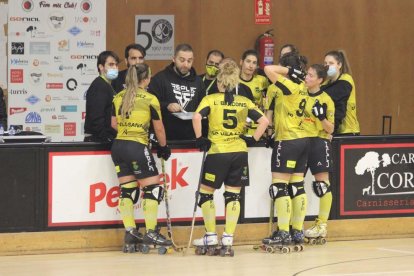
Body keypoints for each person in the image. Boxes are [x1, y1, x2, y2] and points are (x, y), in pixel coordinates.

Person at [192, 59, 269, 254]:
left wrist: (200, 138)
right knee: (233, 195)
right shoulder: (244, 101)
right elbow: (264, 120)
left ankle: (210, 236)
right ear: (235, 83)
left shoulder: (210, 99)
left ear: (219, 82)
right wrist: (253, 139)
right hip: (239, 152)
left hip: (218, 152)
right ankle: (227, 239)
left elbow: (196, 117)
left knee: (206, 193)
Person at [111, 63, 172, 252]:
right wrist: (163, 146)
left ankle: (130, 231)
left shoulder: (118, 97)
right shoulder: (150, 98)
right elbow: (159, 128)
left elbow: (114, 124)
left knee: (127, 191)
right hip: (137, 146)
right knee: (153, 189)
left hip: (119, 146)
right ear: (145, 79)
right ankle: (151, 231)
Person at [262, 52, 310, 249]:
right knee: (297, 186)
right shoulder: (304, 87)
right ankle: (297, 229)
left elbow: (267, 69)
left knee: (279, 186)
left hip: (287, 140)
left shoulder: (288, 85)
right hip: (303, 140)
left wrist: (289, 70)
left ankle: (283, 232)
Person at [301, 65, 335, 244]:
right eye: (306, 73)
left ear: (320, 80)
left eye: (310, 75)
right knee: (295, 185)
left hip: (318, 142)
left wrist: (322, 118)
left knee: (322, 185)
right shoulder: (299, 93)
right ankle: (295, 225)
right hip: (299, 141)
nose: (306, 77)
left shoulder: (326, 99)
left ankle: (322, 225)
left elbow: (331, 128)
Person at [148, 43, 205, 141]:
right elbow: (149, 104)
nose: (185, 64)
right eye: (182, 60)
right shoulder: (160, 78)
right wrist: (167, 106)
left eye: (189, 61)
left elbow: (203, 107)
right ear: (174, 59)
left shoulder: (198, 82)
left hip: (191, 137)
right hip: (166, 137)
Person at [321, 50, 360, 135]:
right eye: (325, 63)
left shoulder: (346, 80)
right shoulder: (326, 82)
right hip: (332, 129)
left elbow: (328, 96)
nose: (327, 66)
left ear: (339, 65)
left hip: (348, 131)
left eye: (331, 63)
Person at [84, 51, 119, 142]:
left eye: (116, 65)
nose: (115, 68)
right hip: (97, 140)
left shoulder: (107, 85)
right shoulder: (99, 86)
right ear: (101, 67)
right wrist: (106, 138)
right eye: (111, 64)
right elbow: (96, 117)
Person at [239, 49, 269, 136]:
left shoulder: (262, 80)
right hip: (238, 126)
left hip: (256, 127)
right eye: (248, 61)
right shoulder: (233, 80)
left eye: (254, 63)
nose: (251, 66)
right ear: (241, 62)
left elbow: (267, 101)